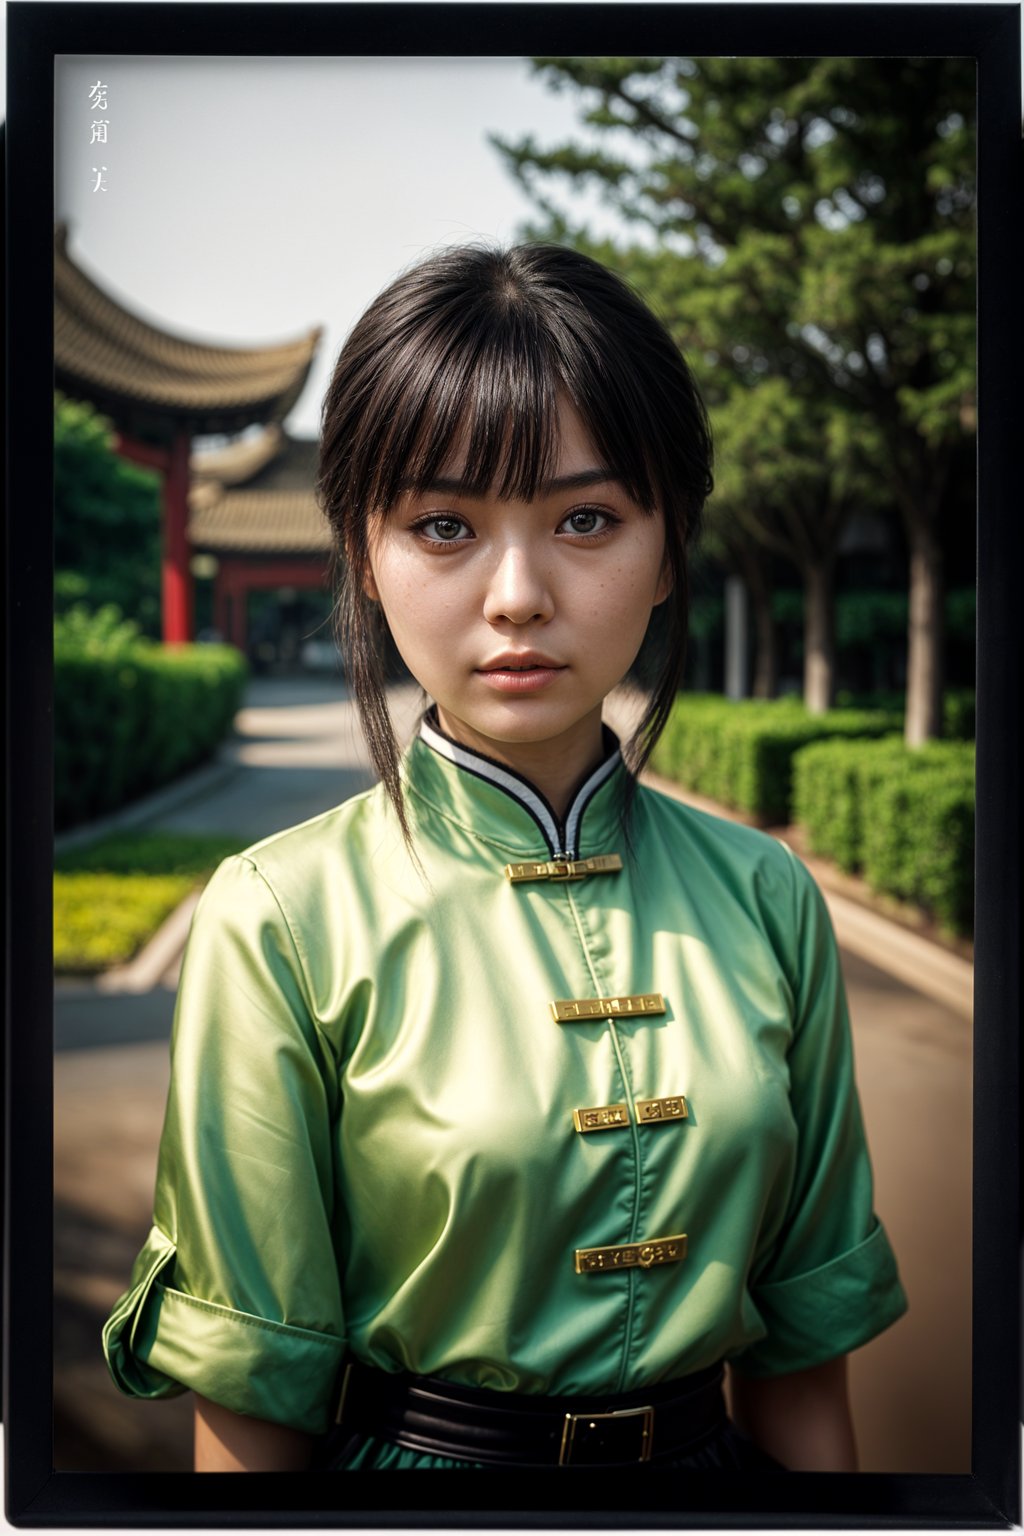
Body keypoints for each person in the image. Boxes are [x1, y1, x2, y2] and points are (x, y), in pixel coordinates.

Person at [102, 243, 907, 1474]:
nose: (519, 593)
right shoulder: (277, 919)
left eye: (587, 518)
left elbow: (802, 1379)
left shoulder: (766, 897)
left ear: (667, 545)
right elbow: (252, 1421)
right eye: (443, 525)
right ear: (366, 558)